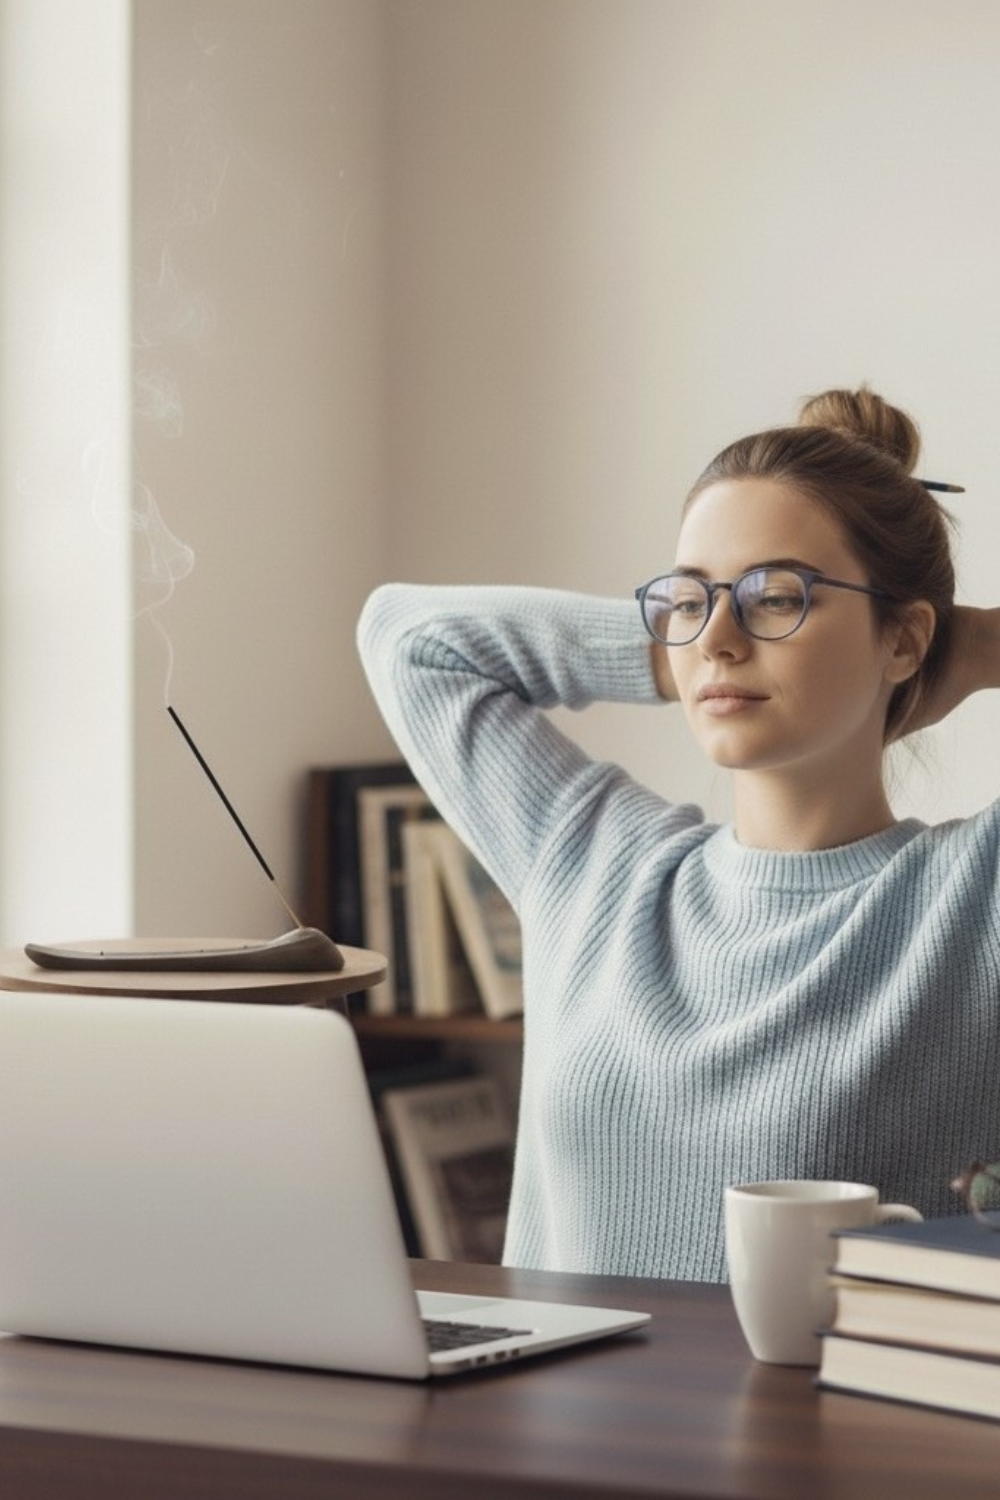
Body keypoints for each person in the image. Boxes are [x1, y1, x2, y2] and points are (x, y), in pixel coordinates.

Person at [357, 387, 1000, 1283]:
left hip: (836, 1426)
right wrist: (690, 638)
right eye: (688, 598)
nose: (722, 640)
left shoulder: (976, 899)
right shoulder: (593, 865)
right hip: (537, 1421)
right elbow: (410, 641)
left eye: (779, 598)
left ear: (904, 640)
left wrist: (978, 647)